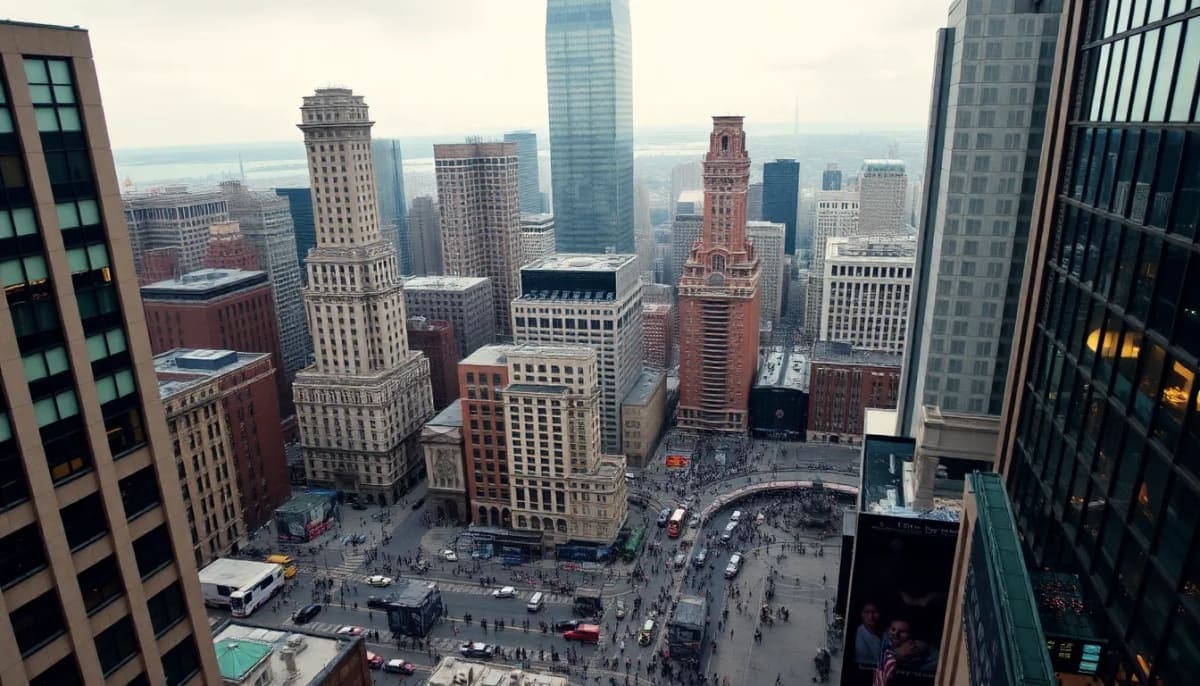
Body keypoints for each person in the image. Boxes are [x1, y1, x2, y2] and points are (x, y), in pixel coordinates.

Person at [854, 601, 883, 666]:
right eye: (866, 612)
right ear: (861, 614)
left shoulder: (888, 631)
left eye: (875, 612)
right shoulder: (857, 632)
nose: (870, 617)